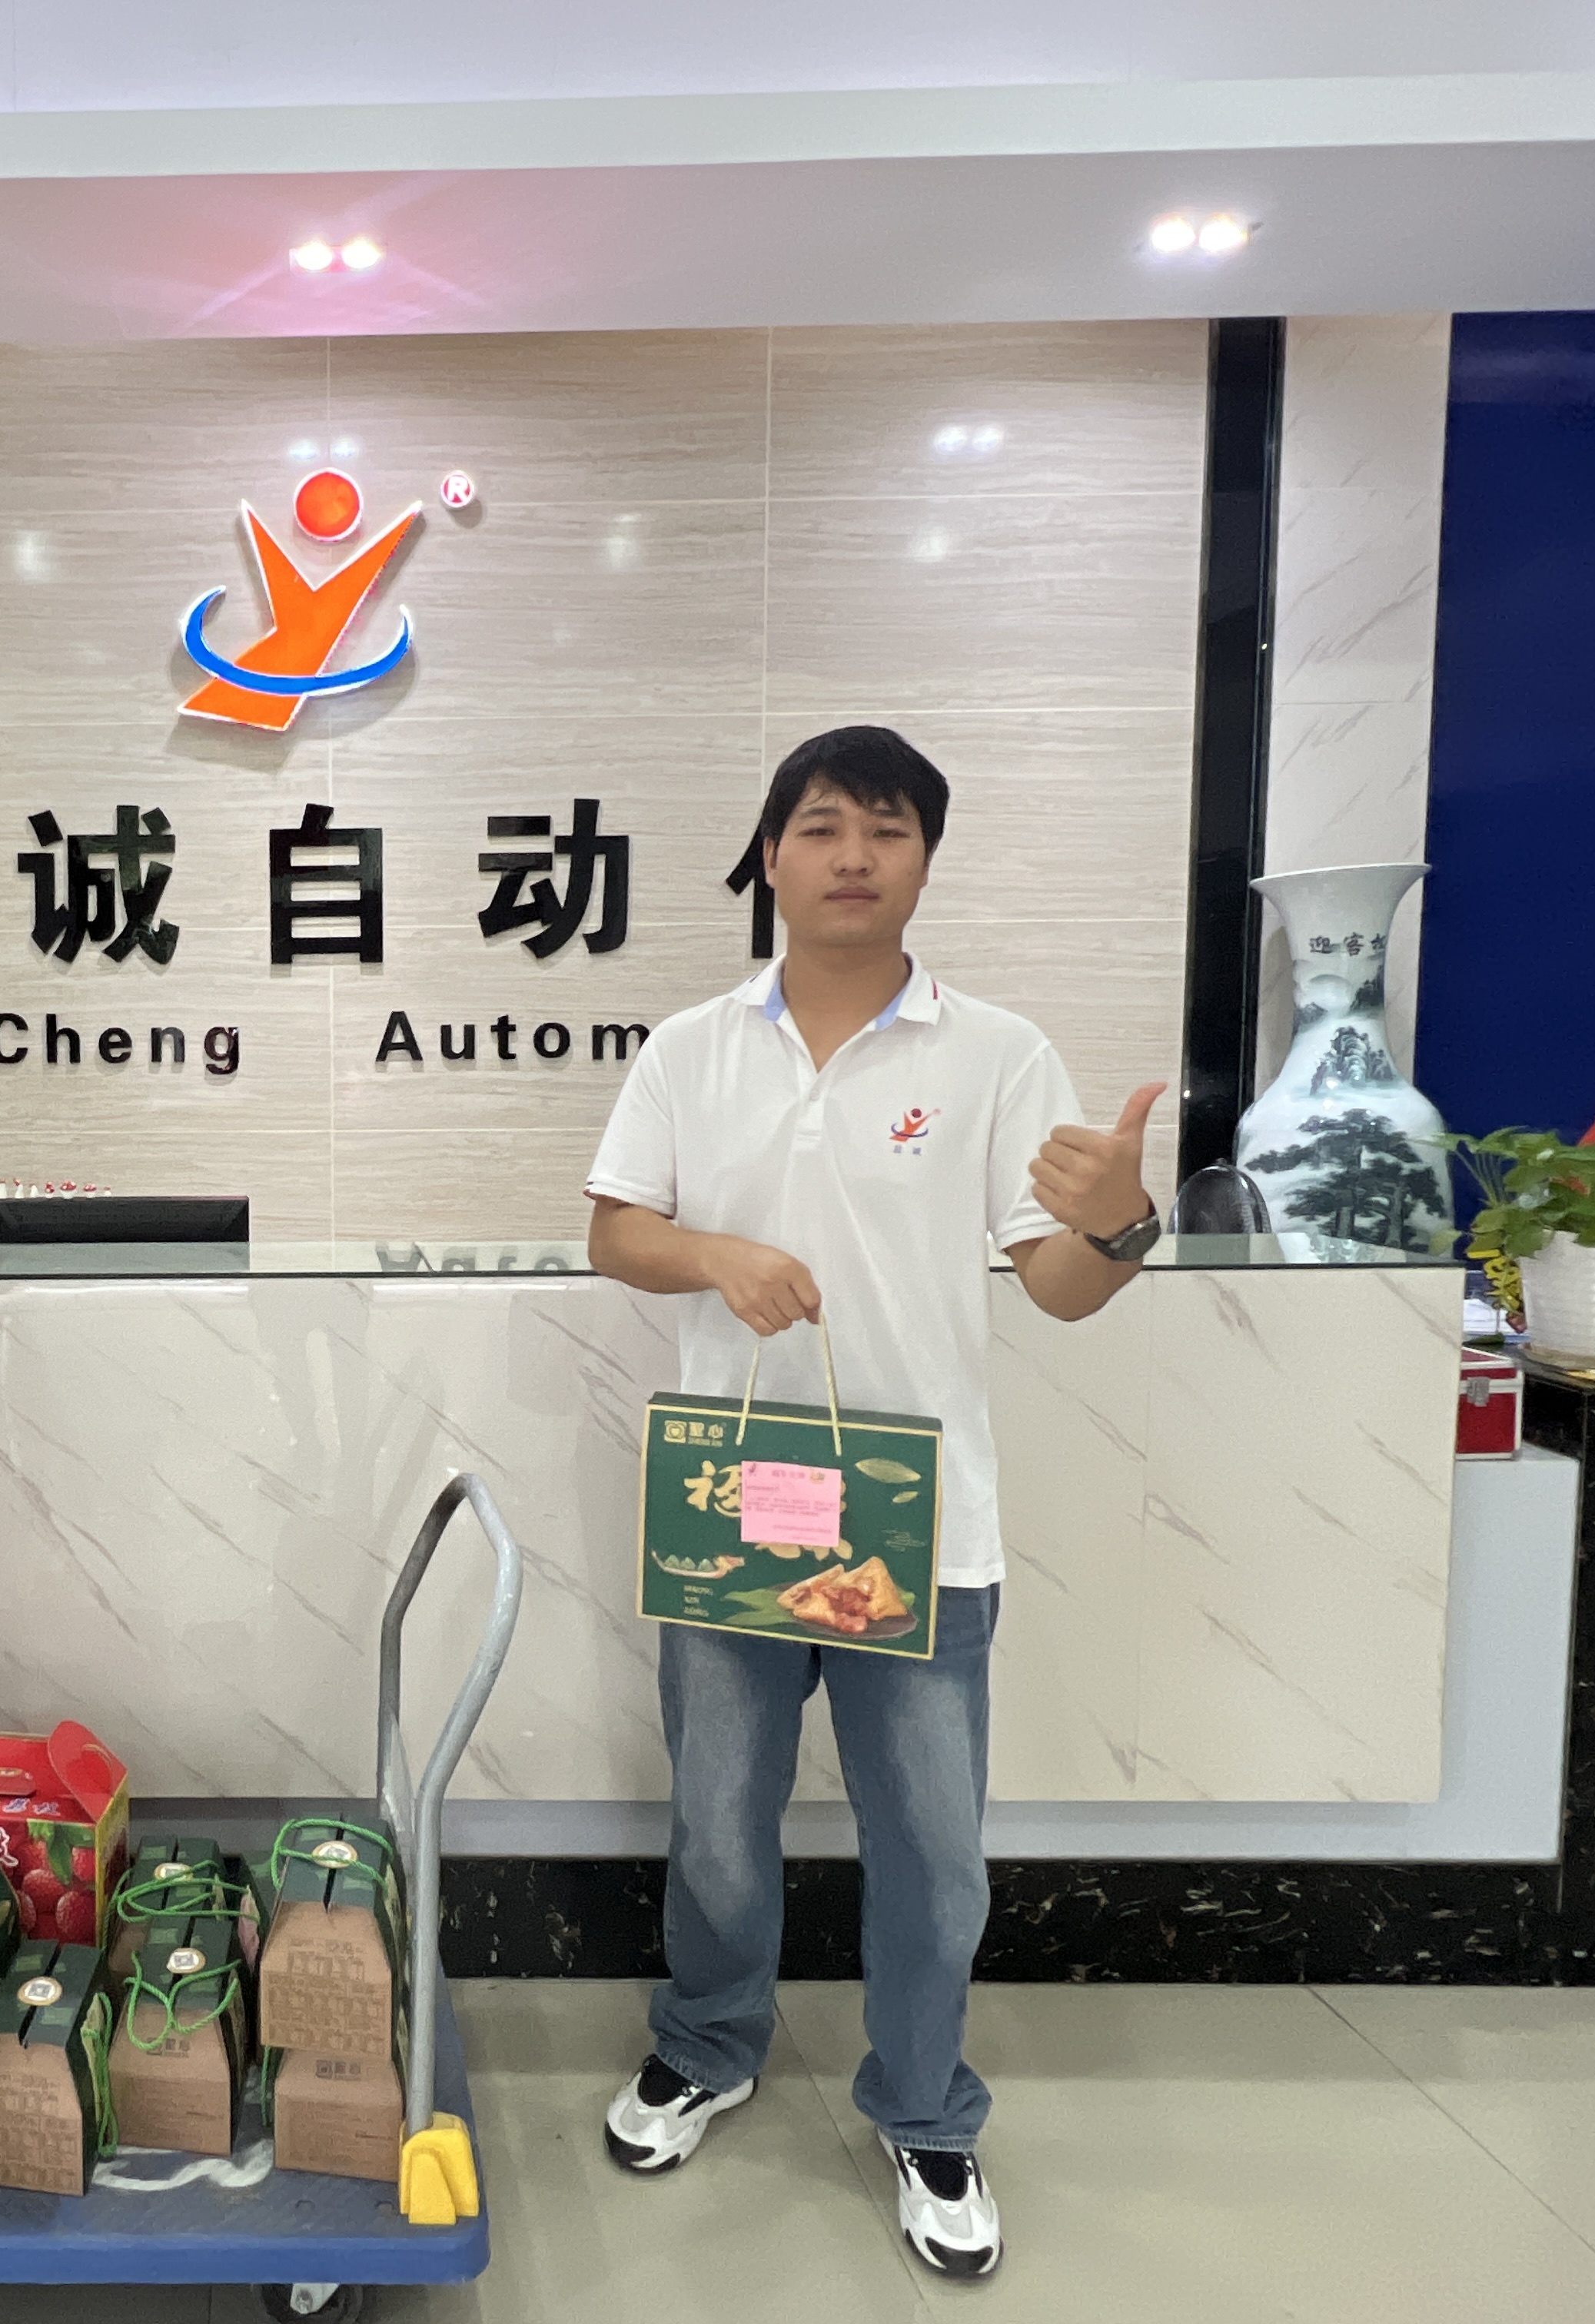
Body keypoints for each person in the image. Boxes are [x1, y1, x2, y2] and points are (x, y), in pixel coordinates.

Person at [583, 725, 1162, 2282]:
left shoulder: (997, 1055)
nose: (854, 854)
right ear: (769, 856)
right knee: (717, 1819)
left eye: (888, 829)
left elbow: (1059, 1287)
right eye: (823, 825)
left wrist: (1121, 1223)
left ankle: (924, 2107)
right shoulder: (692, 1047)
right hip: (736, 1504)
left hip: (921, 1518)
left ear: (925, 859)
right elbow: (617, 1232)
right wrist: (716, 1255)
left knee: (932, 1846)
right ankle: (707, 2046)